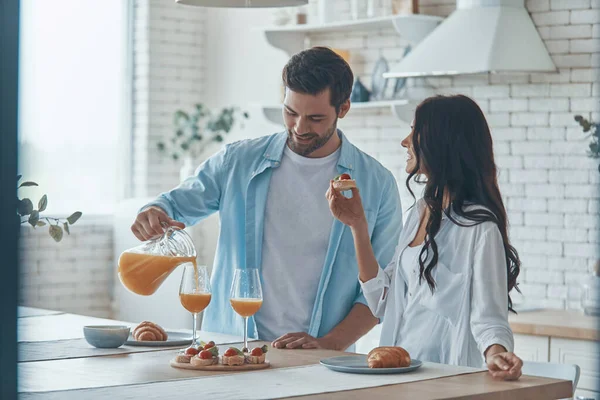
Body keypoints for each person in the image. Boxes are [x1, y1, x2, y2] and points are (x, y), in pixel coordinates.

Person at [130, 47, 403, 351]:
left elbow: (381, 289)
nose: (299, 128)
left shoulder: (377, 184)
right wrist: (155, 210)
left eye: (315, 118)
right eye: (290, 113)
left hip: (320, 360)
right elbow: (177, 204)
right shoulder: (238, 162)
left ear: (344, 108)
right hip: (228, 349)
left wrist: (328, 344)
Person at [327, 94, 523, 378]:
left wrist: (497, 355)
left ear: (441, 142)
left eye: (414, 131)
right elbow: (382, 300)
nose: (405, 142)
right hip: (399, 372)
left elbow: (489, 319)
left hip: (445, 379)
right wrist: (357, 224)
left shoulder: (480, 228)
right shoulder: (420, 213)